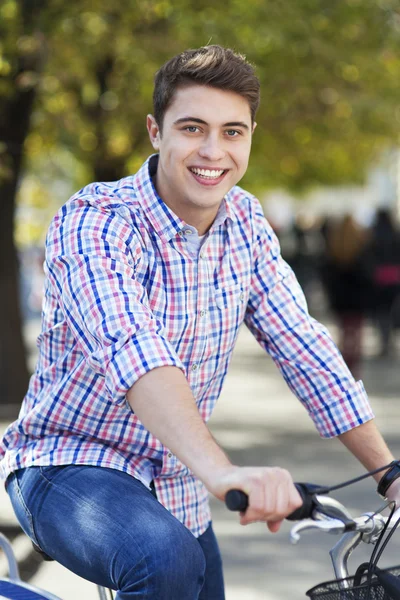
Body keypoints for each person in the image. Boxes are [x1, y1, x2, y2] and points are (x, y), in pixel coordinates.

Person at [0, 45, 399, 600]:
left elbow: (304, 348)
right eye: (192, 127)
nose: (213, 151)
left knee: (182, 562)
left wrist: (388, 472)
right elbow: (135, 351)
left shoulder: (247, 225)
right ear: (155, 131)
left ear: (251, 136)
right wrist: (225, 472)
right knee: (165, 561)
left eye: (233, 132)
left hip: (180, 487)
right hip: (68, 466)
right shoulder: (94, 222)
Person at [322, 214, 372, 378]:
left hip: (340, 299)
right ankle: (354, 364)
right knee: (356, 333)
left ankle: (345, 362)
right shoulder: (361, 245)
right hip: (357, 299)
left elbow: (327, 273)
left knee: (344, 332)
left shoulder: (334, 246)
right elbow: (367, 274)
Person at [368, 208, 400, 357]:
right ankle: (389, 339)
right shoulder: (395, 234)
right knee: (391, 310)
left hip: (378, 277)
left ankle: (384, 340)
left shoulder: (373, 234)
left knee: (380, 311)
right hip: (394, 277)